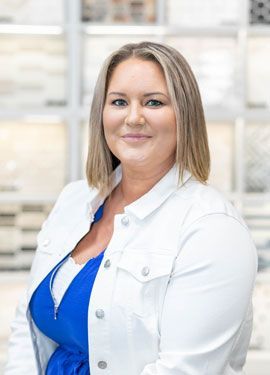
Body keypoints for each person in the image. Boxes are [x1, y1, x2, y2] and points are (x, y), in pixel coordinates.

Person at [5, 41, 257, 375]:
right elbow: (27, 331)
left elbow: (183, 370)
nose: (133, 117)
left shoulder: (213, 229)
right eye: (119, 102)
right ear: (102, 113)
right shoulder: (74, 201)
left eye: (154, 102)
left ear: (185, 115)